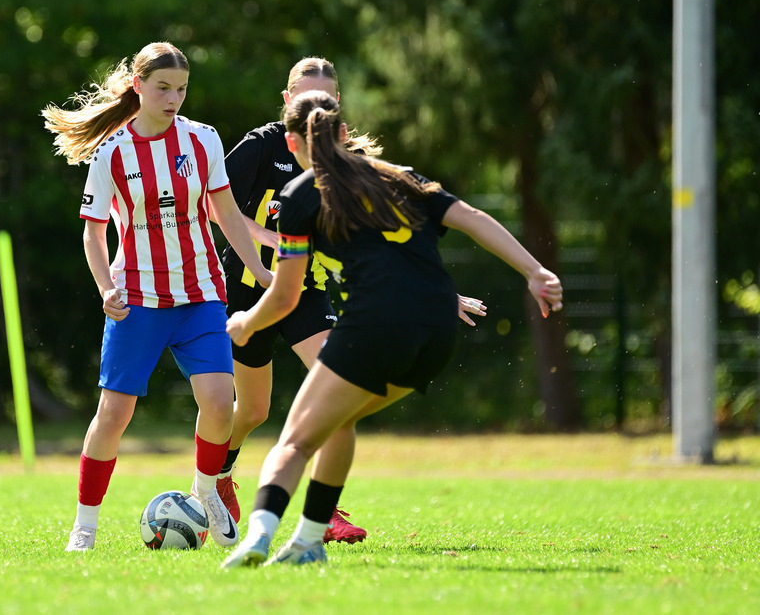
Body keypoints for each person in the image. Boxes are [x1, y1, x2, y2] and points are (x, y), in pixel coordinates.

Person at [221, 91, 563, 567]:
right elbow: (474, 218)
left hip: (374, 327)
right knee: (339, 421)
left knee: (296, 441)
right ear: (344, 133)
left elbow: (284, 295)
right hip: (438, 331)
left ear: (293, 143)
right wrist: (534, 271)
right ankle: (308, 543)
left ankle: (257, 538)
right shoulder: (400, 177)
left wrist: (244, 323)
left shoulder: (302, 195)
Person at [216, 57, 487, 544]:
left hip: (305, 292)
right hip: (245, 291)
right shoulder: (260, 147)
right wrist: (264, 244)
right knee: (252, 411)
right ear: (287, 101)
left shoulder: (350, 161)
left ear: (338, 106)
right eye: (304, 99)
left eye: (328, 100)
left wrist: (439, 294)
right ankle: (218, 476)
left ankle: (325, 512)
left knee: (332, 394)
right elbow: (215, 203)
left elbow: (394, 242)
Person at [42, 42, 274, 553]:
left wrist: (257, 268)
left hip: (201, 295)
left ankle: (207, 490)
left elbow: (227, 213)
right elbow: (92, 232)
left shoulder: (203, 140)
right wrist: (106, 288)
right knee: (113, 415)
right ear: (138, 87)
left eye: (182, 89)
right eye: (163, 88)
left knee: (220, 401)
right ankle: (85, 524)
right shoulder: (111, 152)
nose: (174, 98)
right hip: (138, 300)